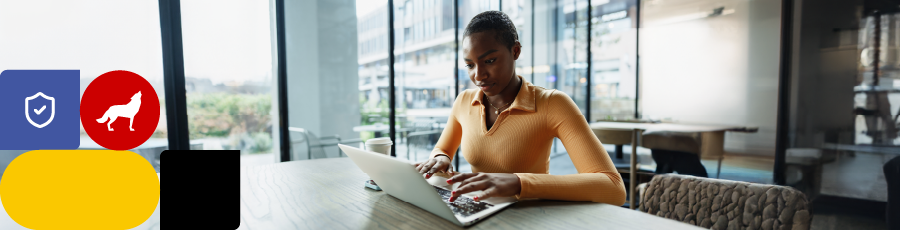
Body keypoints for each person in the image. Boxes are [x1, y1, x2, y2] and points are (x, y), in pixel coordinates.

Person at [413, 11, 626, 205]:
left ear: (515, 51)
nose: (478, 76)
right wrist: (442, 159)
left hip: (531, 218)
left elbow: (613, 187)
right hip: (478, 211)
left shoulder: (553, 103)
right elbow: (442, 150)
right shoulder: (464, 101)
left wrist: (519, 183)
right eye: (470, 65)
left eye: (489, 60)